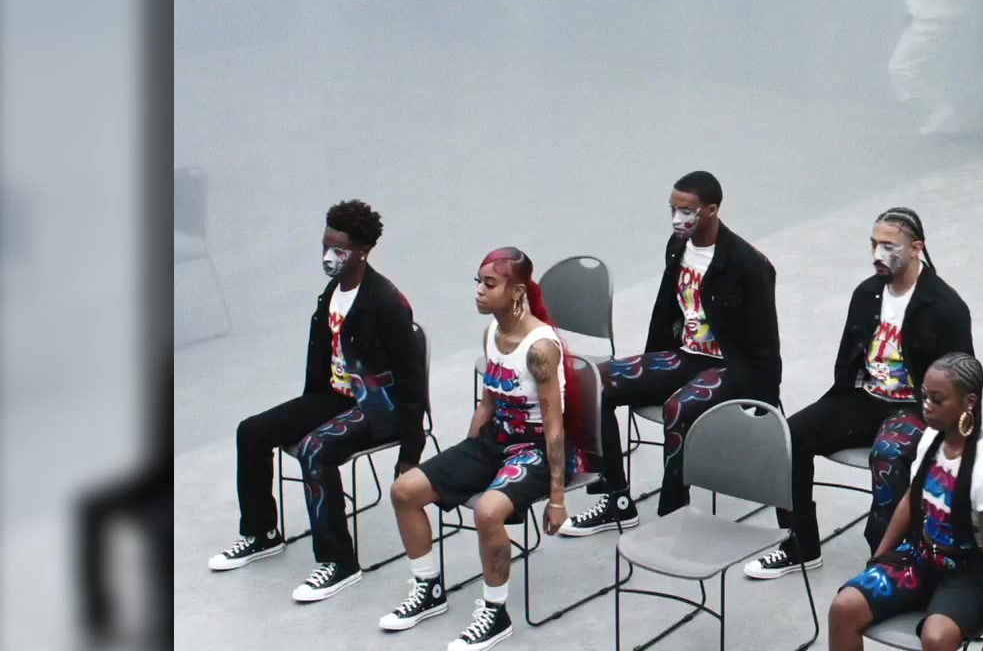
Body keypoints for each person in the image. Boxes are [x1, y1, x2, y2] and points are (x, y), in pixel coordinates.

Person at [209, 200, 426, 604]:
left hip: (381, 407)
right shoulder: (333, 292)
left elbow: (413, 383)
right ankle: (261, 533)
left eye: (338, 249)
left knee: (315, 449)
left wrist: (410, 453)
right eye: (325, 245)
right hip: (334, 397)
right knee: (252, 432)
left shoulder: (385, 302)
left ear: (362, 251)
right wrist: (305, 410)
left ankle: (338, 562)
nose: (328, 256)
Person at [744, 207, 975, 579]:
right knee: (789, 436)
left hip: (916, 407)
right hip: (867, 397)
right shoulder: (867, 293)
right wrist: (836, 405)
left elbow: (964, 380)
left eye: (889, 246)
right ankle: (800, 543)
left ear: (916, 248)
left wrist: (955, 436)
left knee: (888, 455)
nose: (877, 255)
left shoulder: (946, 307)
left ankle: (888, 561)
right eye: (873, 244)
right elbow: (848, 360)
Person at [561, 170, 782, 532]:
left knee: (678, 409)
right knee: (592, 382)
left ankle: (673, 514)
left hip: (730, 365)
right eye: (673, 209)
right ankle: (616, 500)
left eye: (686, 211)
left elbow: (766, 342)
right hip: (687, 355)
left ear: (711, 210)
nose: (677, 219)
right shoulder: (678, 245)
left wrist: (763, 406)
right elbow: (668, 310)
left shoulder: (749, 264)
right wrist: (652, 365)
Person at [378, 248, 571, 651]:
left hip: (535, 448)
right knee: (404, 491)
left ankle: (496, 613)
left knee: (487, 511)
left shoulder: (539, 348)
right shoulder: (492, 334)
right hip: (494, 440)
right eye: (479, 282)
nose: (479, 292)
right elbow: (487, 404)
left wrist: (557, 499)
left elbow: (554, 426)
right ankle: (428, 589)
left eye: (490, 284)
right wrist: (466, 457)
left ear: (517, 291)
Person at [826, 352, 983, 651]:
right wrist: (879, 558)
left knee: (936, 638)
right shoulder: (931, 437)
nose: (926, 405)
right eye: (924, 395)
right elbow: (911, 500)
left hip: (968, 572)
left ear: (969, 402)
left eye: (937, 399)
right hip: (922, 555)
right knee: (844, 608)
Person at [890, 0, 983, 135]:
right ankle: (944, 118)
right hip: (926, 19)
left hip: (933, 23)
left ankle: (939, 110)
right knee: (922, 69)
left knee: (900, 67)